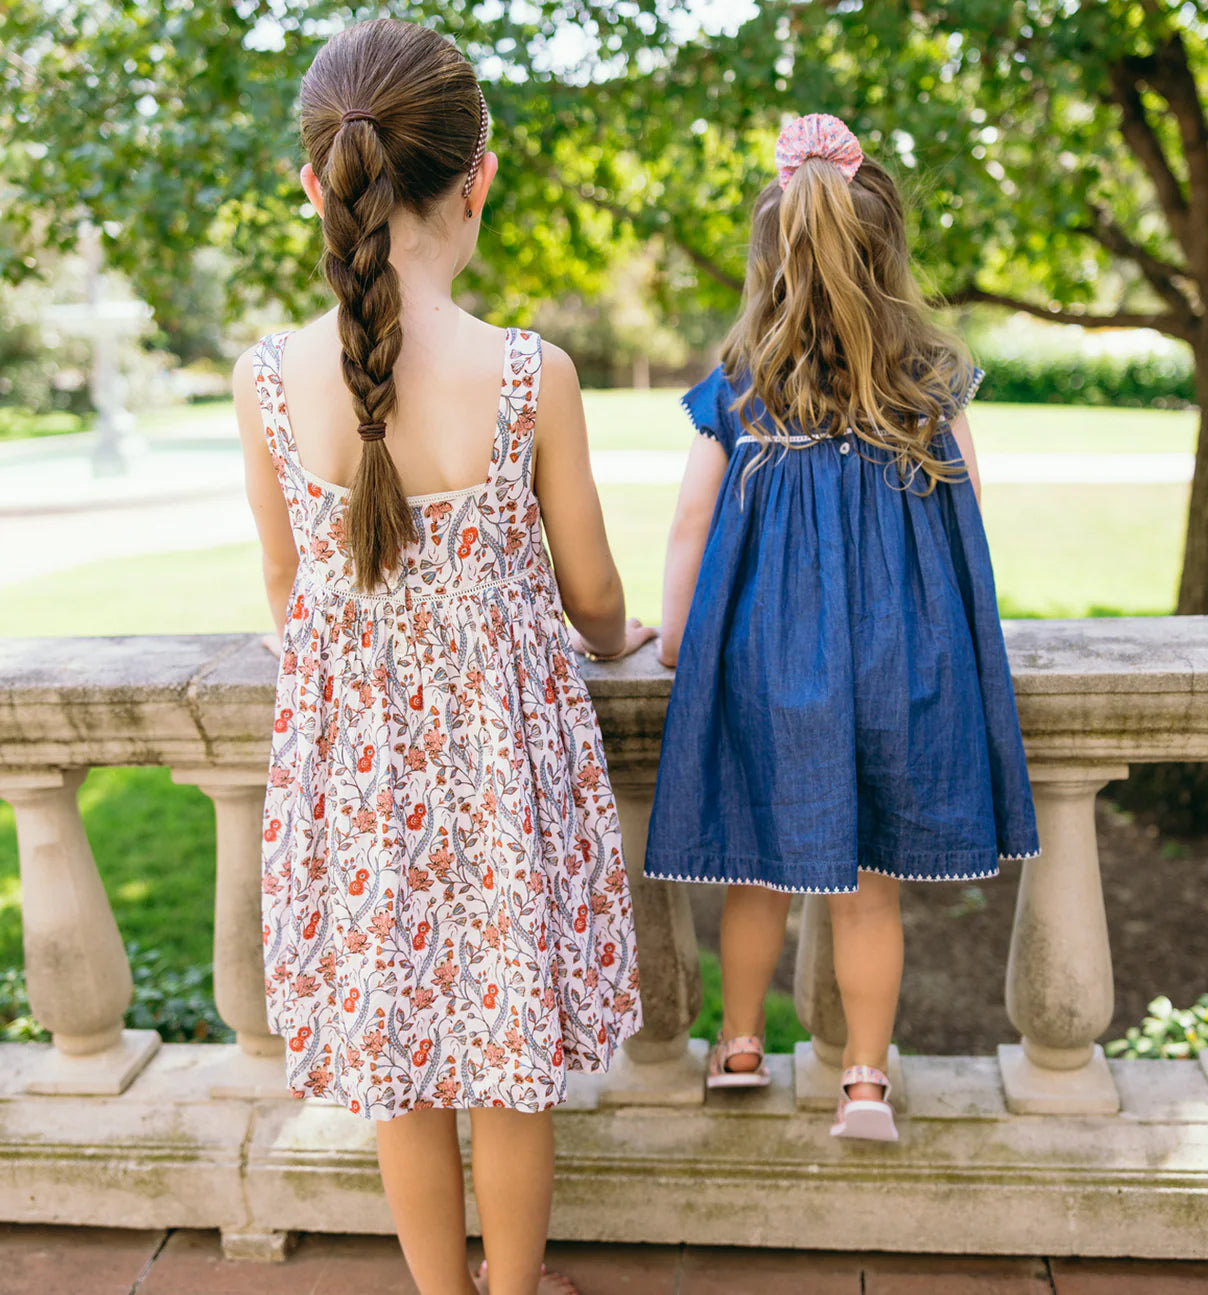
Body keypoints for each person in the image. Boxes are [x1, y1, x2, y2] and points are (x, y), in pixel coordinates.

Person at [232, 19, 651, 1294]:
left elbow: (287, 589)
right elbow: (592, 594)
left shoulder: (264, 382)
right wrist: (619, 637)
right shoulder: (533, 374)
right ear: (480, 176)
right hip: (497, 778)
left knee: (400, 1068)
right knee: (509, 1063)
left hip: (358, 782)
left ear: (316, 182)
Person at [643, 113, 1039, 1142]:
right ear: (886, 255)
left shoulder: (738, 391)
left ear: (769, 262)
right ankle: (865, 1079)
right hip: (896, 661)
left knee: (757, 867)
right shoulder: (927, 385)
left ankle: (736, 1047)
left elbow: (691, 524)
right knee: (866, 891)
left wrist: (678, 638)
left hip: (768, 665)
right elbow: (971, 507)